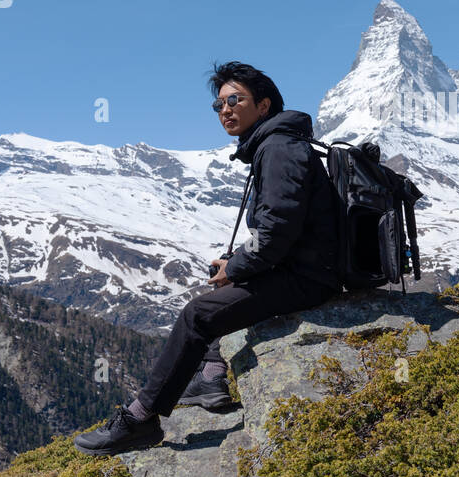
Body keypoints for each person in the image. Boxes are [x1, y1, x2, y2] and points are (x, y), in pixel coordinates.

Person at [75, 61, 341, 455]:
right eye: (219, 105)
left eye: (235, 100)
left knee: (198, 314)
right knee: (225, 293)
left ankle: (140, 420)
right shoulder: (275, 145)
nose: (226, 111)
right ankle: (212, 378)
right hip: (306, 267)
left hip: (308, 278)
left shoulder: (279, 149)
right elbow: (282, 230)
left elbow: (275, 235)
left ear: (264, 106)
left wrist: (236, 267)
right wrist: (235, 264)